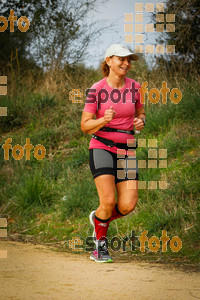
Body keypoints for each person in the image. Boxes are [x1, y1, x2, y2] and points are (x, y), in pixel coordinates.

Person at [81, 44, 146, 263]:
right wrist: (103, 120)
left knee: (128, 205)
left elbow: (140, 113)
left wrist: (140, 121)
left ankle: (99, 218)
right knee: (108, 201)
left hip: (126, 150)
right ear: (109, 60)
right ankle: (99, 247)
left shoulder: (135, 87)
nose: (127, 63)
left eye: (129, 60)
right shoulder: (96, 89)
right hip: (101, 146)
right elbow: (85, 125)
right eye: (122, 59)